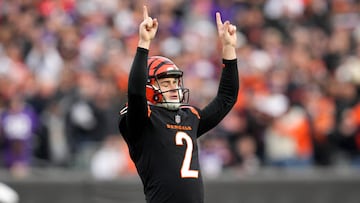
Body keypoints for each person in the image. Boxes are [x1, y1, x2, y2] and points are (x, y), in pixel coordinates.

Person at [118, 5, 239, 203]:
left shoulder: (190, 117)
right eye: (166, 83)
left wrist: (228, 48)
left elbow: (227, 98)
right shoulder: (144, 119)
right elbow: (136, 93)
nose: (173, 88)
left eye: (175, 82)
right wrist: (144, 43)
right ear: (149, 87)